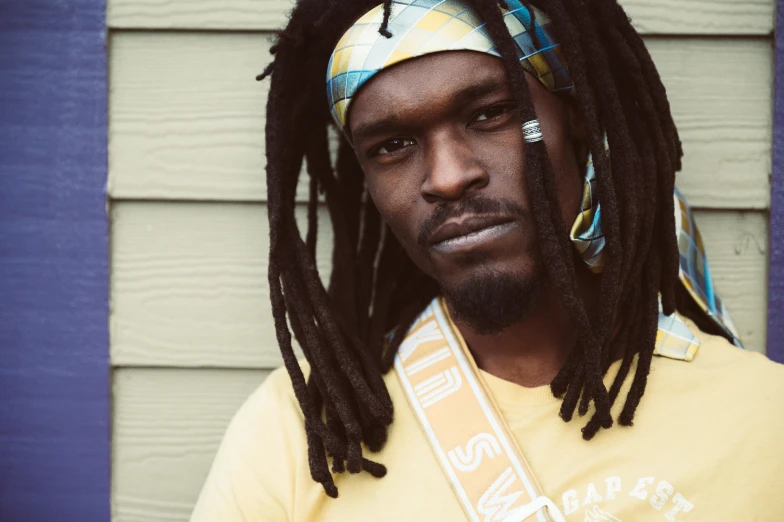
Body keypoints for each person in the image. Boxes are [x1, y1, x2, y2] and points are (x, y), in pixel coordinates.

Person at [190, 0, 784, 520]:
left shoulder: (763, 418)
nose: (448, 178)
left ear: (575, 117)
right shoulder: (300, 432)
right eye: (392, 146)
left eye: (490, 114)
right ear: (367, 182)